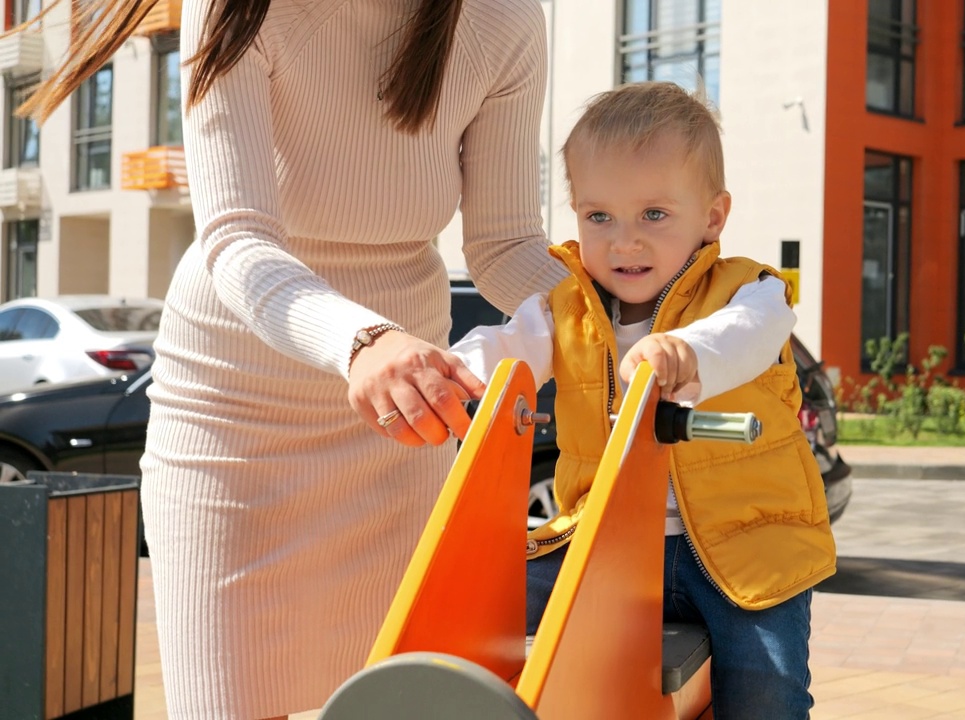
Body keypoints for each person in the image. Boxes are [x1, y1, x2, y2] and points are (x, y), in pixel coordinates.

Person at [19, 0, 567, 716]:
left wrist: (641, 317)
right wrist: (364, 341)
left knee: (398, 703)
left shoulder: (504, 20)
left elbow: (505, 245)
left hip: (398, 435)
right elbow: (237, 240)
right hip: (234, 425)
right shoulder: (232, 9)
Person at [450, 81, 838, 719]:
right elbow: (504, 345)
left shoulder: (752, 291)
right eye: (599, 217)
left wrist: (685, 353)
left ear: (712, 216)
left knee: (768, 689)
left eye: (653, 215)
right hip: (599, 540)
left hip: (742, 549)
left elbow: (747, 337)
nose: (623, 242)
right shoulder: (564, 308)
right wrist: (449, 371)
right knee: (485, 610)